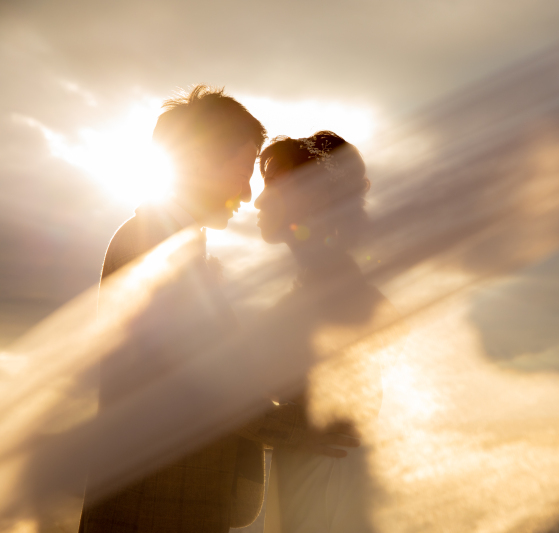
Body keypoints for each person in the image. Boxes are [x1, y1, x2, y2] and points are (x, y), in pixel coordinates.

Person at [78, 88, 359, 533]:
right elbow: (204, 384)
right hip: (154, 510)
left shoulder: (176, 246)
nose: (247, 194)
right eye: (243, 171)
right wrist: (301, 428)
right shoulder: (153, 246)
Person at [255, 131, 398, 533]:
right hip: (309, 466)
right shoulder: (320, 281)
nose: (259, 201)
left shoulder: (334, 289)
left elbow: (351, 404)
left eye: (274, 183)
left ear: (314, 197)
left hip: (324, 474)